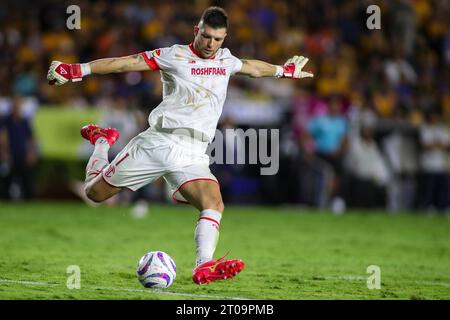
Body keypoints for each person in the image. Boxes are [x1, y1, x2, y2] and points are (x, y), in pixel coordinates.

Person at [46, 6, 313, 284]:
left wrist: (285, 70)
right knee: (95, 193)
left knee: (214, 203)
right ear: (196, 31)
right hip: (160, 141)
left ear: (225, 38)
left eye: (218, 39)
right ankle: (102, 140)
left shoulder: (225, 59)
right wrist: (78, 69)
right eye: (207, 36)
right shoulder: (174, 55)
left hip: (194, 151)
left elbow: (253, 68)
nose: (211, 44)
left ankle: (203, 266)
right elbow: (128, 62)